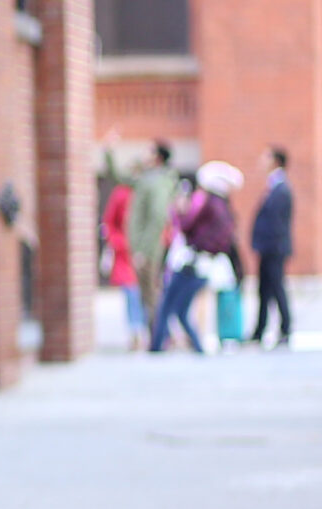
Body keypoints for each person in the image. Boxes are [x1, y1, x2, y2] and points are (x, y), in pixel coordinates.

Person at [148, 160, 244, 353]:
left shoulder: (206, 203)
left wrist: (179, 212)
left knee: (169, 305)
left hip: (191, 262)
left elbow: (186, 225)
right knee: (181, 309)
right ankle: (197, 346)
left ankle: (157, 347)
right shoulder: (224, 208)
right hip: (205, 263)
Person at [125, 142, 178, 339]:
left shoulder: (157, 181)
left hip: (150, 247)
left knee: (151, 293)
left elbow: (157, 217)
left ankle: (161, 336)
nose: (144, 154)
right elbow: (123, 176)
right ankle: (159, 335)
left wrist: (144, 250)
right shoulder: (148, 178)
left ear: (157, 157)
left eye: (149, 152)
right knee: (147, 293)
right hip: (146, 246)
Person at [250, 147, 295, 347]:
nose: (262, 160)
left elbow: (277, 222)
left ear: (276, 161)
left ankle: (285, 328)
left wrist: (270, 245)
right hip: (268, 248)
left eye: (267, 156)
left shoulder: (282, 188)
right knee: (264, 290)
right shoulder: (274, 186)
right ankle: (260, 330)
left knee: (277, 289)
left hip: (274, 249)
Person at [102, 177, 145, 343]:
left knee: (144, 293)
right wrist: (119, 243)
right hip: (124, 253)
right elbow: (109, 222)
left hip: (143, 250)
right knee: (131, 292)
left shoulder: (145, 192)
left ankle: (144, 330)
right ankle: (135, 331)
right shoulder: (121, 194)